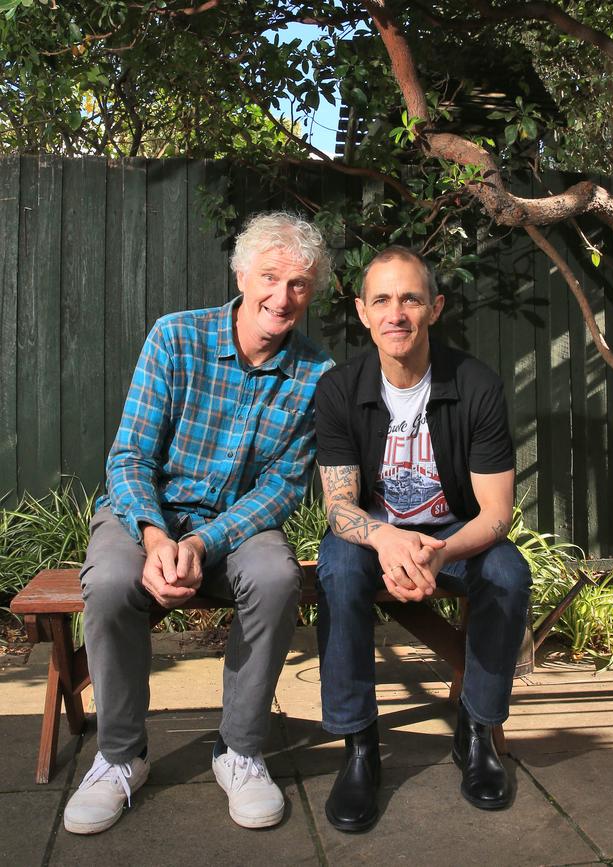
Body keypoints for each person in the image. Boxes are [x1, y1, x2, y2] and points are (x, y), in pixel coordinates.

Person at [63, 212, 332, 834]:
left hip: (237, 522)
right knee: (107, 585)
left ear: (311, 292)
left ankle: (239, 750)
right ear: (241, 275)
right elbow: (130, 457)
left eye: (298, 284)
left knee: (274, 577)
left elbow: (284, 486)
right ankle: (119, 757)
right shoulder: (175, 337)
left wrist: (204, 541)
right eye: (269, 276)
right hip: (148, 512)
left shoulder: (316, 372)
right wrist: (157, 537)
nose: (282, 296)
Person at [314, 246, 531, 832]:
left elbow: (495, 514)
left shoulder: (476, 385)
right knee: (336, 570)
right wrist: (386, 539)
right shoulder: (338, 390)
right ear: (362, 312)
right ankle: (359, 747)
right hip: (372, 534)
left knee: (508, 574)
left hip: (451, 532)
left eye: (410, 298)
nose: (396, 313)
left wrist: (439, 551)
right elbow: (339, 506)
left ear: (434, 307)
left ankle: (477, 729)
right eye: (381, 299)